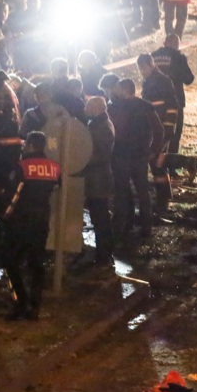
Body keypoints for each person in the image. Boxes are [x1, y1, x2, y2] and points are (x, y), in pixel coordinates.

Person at [1, 131, 60, 320]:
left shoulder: (22, 167)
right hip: (41, 221)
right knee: (36, 264)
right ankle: (34, 307)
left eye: (26, 144)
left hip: (20, 222)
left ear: (32, 146)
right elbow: (57, 188)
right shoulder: (54, 168)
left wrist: (4, 216)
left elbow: (14, 196)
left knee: (10, 261)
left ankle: (20, 302)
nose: (23, 147)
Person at [109, 78, 164, 239]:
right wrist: (153, 150)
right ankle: (146, 228)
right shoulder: (146, 107)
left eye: (118, 89)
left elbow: (113, 131)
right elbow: (159, 130)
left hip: (121, 156)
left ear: (124, 90)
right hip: (140, 156)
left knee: (121, 193)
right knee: (143, 192)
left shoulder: (116, 107)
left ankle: (121, 228)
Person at [138, 53, 178, 210]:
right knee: (156, 163)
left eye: (143, 68)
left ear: (151, 64)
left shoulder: (163, 81)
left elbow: (172, 106)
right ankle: (164, 196)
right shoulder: (148, 81)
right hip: (154, 130)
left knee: (157, 162)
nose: (142, 72)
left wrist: (168, 128)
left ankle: (163, 199)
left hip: (161, 130)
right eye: (140, 69)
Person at [81, 96, 115, 267]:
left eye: (88, 107)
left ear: (96, 109)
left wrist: (82, 160)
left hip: (99, 180)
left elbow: (102, 154)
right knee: (99, 218)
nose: (85, 109)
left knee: (101, 219)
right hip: (97, 179)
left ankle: (103, 255)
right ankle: (103, 253)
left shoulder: (102, 127)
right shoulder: (98, 124)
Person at [151, 33, 194, 157]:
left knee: (158, 132)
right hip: (175, 101)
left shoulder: (153, 56)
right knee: (174, 133)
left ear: (165, 42)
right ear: (175, 44)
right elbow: (189, 79)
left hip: (156, 102)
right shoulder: (178, 57)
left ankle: (156, 160)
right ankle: (170, 161)